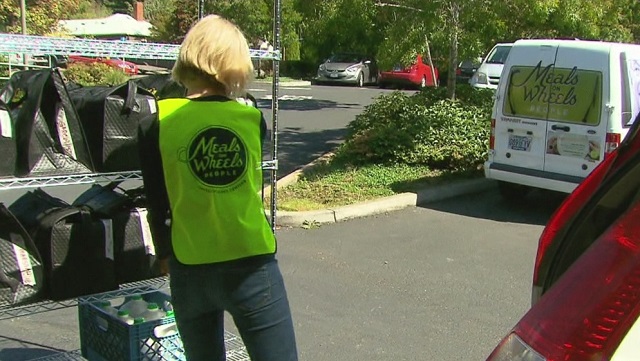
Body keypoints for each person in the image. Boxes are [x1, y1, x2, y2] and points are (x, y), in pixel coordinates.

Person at [137, 15, 298, 361]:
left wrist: (165, 254)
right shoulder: (251, 117)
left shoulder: (157, 123)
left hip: (190, 263)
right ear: (235, 63)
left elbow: (156, 201)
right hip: (250, 264)